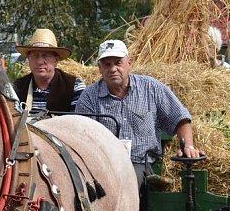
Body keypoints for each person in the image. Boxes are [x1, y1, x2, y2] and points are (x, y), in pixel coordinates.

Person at [74, 39, 202, 187]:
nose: (113, 69)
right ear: (100, 68)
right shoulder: (89, 96)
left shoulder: (150, 88)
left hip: (141, 163)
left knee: (127, 179)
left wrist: (188, 147)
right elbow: (82, 136)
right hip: (103, 164)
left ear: (129, 63)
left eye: (118, 63)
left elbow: (180, 118)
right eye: (107, 64)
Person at [13, 28, 85, 114]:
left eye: (46, 56)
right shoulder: (17, 88)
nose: (40, 62)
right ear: (28, 59)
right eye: (35, 55)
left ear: (56, 60)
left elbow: (79, 120)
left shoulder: (75, 87)